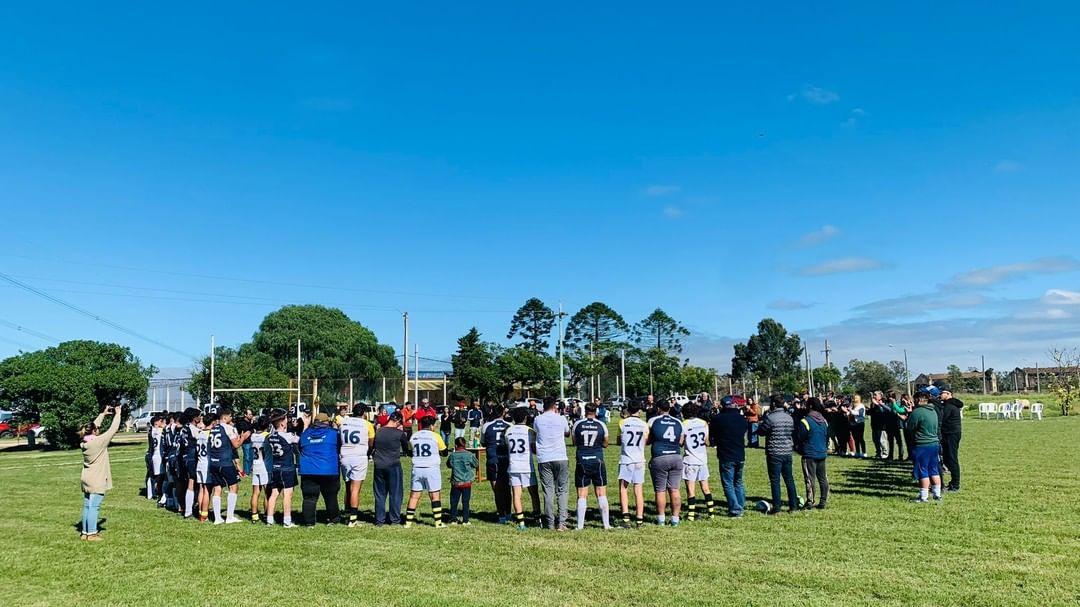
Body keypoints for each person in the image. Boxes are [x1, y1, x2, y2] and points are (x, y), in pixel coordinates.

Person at [79, 403, 123, 541]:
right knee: (94, 507)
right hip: (97, 478)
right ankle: (91, 533)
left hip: (87, 477)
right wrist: (118, 414)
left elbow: (93, 426)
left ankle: (85, 532)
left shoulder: (85, 442)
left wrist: (103, 415)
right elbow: (113, 429)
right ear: (94, 432)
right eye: (97, 429)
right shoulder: (98, 443)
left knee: (87, 506)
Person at [571, 403, 611, 530]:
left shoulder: (577, 424)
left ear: (585, 411)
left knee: (582, 493)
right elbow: (606, 444)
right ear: (596, 411)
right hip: (597, 460)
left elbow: (574, 442)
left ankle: (580, 526)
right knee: (601, 492)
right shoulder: (601, 424)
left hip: (582, 460)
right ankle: (606, 524)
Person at [298, 412, 341, 526]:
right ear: (327, 422)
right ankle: (333, 519)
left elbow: (300, 447)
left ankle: (309, 522)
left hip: (308, 469)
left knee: (309, 498)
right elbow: (339, 446)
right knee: (331, 496)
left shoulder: (305, 434)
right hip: (329, 469)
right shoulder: (333, 434)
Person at [405, 416, 448, 528]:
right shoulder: (435, 436)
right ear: (431, 426)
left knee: (414, 496)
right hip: (431, 468)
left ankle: (408, 522)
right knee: (435, 495)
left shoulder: (414, 436)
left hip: (417, 467)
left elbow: (409, 451)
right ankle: (438, 523)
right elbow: (444, 452)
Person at [208, 407, 249, 524]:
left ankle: (217, 518)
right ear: (225, 417)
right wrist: (243, 438)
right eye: (230, 416)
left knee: (217, 488)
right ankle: (230, 517)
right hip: (225, 462)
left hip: (213, 462)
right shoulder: (228, 428)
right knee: (234, 487)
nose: (231, 419)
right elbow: (236, 444)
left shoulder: (213, 428)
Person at [647, 400, 684, 527]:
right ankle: (675, 519)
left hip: (660, 456)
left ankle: (661, 519)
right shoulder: (678, 421)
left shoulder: (653, 421)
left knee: (660, 490)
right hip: (676, 456)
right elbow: (681, 441)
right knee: (674, 489)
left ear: (658, 409)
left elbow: (648, 439)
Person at [758, 394, 798, 514]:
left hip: (774, 452)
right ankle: (793, 506)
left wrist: (764, 420)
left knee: (775, 480)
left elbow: (761, 432)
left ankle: (777, 507)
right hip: (787, 451)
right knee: (789, 479)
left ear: (774, 404)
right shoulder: (789, 417)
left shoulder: (770, 418)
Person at [535, 399, 570, 531]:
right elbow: (567, 433)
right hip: (560, 456)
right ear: (554, 406)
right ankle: (561, 522)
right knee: (562, 490)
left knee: (548, 490)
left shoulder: (538, 419)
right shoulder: (561, 419)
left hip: (544, 457)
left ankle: (549, 522)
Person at [709, 395, 747, 517]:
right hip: (740, 453)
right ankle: (740, 504)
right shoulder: (742, 419)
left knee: (728, 483)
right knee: (738, 481)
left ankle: (736, 509)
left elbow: (712, 436)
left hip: (726, 454)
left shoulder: (717, 419)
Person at [339, 404, 376, 527]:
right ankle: (353, 519)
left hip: (345, 455)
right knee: (355, 489)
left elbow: (340, 439)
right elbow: (371, 442)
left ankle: (346, 513)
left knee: (348, 486)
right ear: (364, 413)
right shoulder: (367, 424)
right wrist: (368, 452)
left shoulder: (344, 422)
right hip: (358, 456)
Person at [371, 411, 409, 526]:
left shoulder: (378, 432)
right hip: (393, 464)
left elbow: (372, 447)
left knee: (380, 493)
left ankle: (379, 520)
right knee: (395, 493)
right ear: (397, 421)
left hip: (379, 465)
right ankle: (395, 519)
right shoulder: (399, 433)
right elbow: (406, 448)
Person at [503, 406, 537, 530]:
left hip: (513, 465)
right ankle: (537, 518)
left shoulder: (508, 430)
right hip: (527, 465)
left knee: (516, 494)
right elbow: (534, 449)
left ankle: (521, 522)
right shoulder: (530, 431)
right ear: (526, 417)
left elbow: (507, 445)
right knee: (533, 493)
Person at [617, 401, 649, 528]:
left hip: (626, 459)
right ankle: (639, 519)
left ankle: (625, 518)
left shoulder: (623, 423)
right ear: (639, 411)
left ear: (628, 410)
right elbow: (645, 441)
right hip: (639, 459)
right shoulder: (644, 424)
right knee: (638, 489)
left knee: (623, 488)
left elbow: (619, 441)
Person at [680, 402, 714, 521]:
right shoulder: (703, 423)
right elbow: (707, 441)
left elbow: (681, 442)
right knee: (705, 488)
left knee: (691, 489)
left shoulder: (684, 424)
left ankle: (691, 515)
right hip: (702, 459)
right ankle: (711, 513)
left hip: (690, 460)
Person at [265, 411, 299, 528]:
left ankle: (269, 519)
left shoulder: (269, 437)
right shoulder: (288, 436)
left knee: (274, 493)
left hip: (275, 467)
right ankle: (287, 520)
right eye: (285, 419)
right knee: (288, 494)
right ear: (282, 424)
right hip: (286, 468)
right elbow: (299, 440)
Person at [909, 389, 943, 502]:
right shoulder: (933, 410)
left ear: (918, 400)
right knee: (934, 469)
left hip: (922, 444)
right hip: (934, 443)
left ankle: (923, 496)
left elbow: (910, 428)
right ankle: (937, 494)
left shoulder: (917, 412)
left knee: (922, 470)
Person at [796, 398, 830, 510]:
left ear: (810, 406)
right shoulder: (824, 420)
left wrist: (799, 449)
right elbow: (827, 436)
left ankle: (810, 501)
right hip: (822, 452)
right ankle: (823, 501)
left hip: (810, 454)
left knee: (810, 479)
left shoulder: (805, 421)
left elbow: (800, 437)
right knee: (823, 478)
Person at [480, 404, 512, 523]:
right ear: (503, 413)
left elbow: (483, 442)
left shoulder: (486, 426)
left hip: (493, 458)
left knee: (497, 488)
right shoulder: (509, 426)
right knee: (507, 487)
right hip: (506, 459)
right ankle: (508, 513)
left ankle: (501, 515)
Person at [446, 437, 479, 525]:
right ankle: (465, 520)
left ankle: (453, 518)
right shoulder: (469, 454)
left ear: (456, 445)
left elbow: (448, 465)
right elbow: (476, 464)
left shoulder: (453, 455)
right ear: (465, 445)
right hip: (467, 482)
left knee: (454, 501)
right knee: (465, 501)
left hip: (456, 482)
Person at [178, 407, 202, 519]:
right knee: (192, 484)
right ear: (194, 417)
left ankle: (188, 506)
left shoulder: (183, 428)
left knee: (188, 483)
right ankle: (189, 510)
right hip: (192, 457)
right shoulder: (193, 429)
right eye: (199, 415)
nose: (200, 418)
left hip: (184, 457)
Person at [939, 388, 963, 492]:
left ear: (948, 394)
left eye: (942, 393)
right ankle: (953, 483)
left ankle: (955, 484)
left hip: (951, 434)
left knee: (952, 459)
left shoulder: (949, 406)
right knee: (948, 459)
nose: (940, 394)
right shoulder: (949, 404)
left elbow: (942, 418)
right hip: (951, 433)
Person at [248, 416, 271, 523]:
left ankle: (254, 515)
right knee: (268, 493)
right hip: (264, 465)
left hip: (255, 464)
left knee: (255, 492)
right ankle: (267, 514)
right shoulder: (267, 436)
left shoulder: (253, 436)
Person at [195, 414, 214, 522]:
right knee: (207, 490)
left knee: (201, 489)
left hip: (200, 462)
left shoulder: (200, 433)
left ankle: (200, 512)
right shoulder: (210, 434)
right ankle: (204, 515)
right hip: (207, 463)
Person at [145, 414, 165, 504]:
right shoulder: (158, 431)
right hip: (157, 456)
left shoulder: (151, 431)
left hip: (154, 455)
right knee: (157, 476)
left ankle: (151, 493)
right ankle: (154, 493)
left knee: (153, 475)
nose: (162, 423)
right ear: (156, 423)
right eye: (161, 421)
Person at [885, 392, 905, 461]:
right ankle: (890, 455)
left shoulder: (897, 403)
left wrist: (893, 403)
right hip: (888, 424)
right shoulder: (886, 403)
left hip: (896, 424)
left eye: (890, 396)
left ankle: (901, 455)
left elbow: (894, 411)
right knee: (890, 441)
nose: (888, 397)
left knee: (899, 441)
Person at [868, 391, 888, 458]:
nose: (874, 396)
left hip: (881, 426)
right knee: (875, 440)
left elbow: (882, 411)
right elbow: (870, 413)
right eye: (873, 395)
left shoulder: (883, 403)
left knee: (882, 440)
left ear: (880, 396)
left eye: (875, 395)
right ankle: (878, 453)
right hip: (874, 425)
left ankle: (885, 453)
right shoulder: (873, 404)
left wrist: (877, 404)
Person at [237, 409, 255, 476]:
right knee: (247, 457)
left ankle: (250, 471)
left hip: (251, 441)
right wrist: (251, 425)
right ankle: (246, 471)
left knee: (251, 457)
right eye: (249, 414)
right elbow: (245, 430)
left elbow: (253, 430)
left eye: (251, 414)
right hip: (245, 442)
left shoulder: (251, 422)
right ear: (245, 415)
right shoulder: (242, 422)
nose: (251, 415)